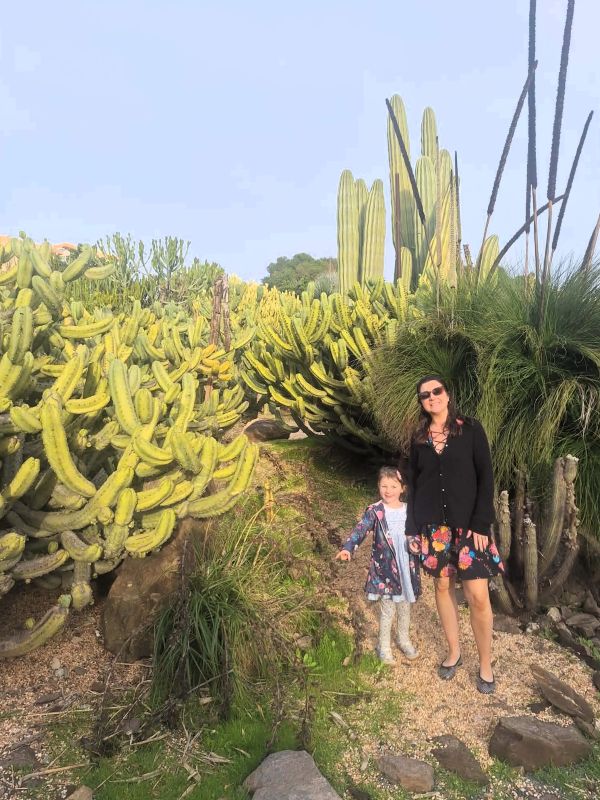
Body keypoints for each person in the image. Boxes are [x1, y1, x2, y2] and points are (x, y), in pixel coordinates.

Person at [405, 374, 504, 694]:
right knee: (443, 586)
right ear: (421, 403)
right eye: (425, 395)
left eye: (437, 391)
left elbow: (486, 476)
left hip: (469, 527)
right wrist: (412, 528)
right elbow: (415, 484)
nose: (432, 397)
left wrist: (481, 523)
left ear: (448, 395)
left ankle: (485, 663)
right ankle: (454, 651)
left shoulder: (471, 429)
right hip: (433, 529)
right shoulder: (419, 437)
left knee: (477, 596)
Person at [336, 466, 421, 664]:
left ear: (403, 488)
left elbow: (416, 535)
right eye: (384, 486)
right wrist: (349, 547)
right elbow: (360, 530)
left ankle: (403, 639)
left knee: (405, 607)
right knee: (387, 609)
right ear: (378, 486)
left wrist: (416, 544)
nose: (388, 490)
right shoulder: (375, 512)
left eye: (393, 486)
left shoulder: (410, 511)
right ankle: (383, 646)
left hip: (406, 569)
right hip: (385, 571)